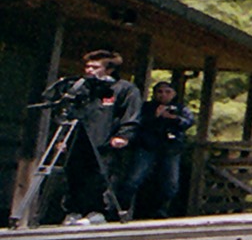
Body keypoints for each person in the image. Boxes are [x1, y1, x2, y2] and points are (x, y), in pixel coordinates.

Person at [40, 49, 142, 225]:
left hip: (105, 140)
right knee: (74, 174)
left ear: (109, 70)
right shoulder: (82, 87)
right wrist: (62, 138)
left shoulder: (124, 89)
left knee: (102, 176)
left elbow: (131, 115)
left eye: (95, 67)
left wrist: (124, 136)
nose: (89, 70)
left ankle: (98, 211)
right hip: (79, 139)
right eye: (87, 66)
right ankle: (74, 210)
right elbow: (68, 113)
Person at [121, 82, 194, 218]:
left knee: (171, 184)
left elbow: (188, 122)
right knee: (133, 180)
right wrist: (155, 116)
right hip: (148, 147)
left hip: (171, 149)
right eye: (160, 92)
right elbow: (137, 122)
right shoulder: (146, 107)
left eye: (167, 92)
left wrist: (173, 118)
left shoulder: (180, 108)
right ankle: (123, 209)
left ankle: (161, 211)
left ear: (173, 94)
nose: (163, 95)